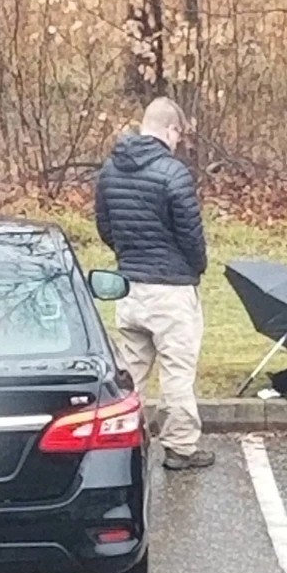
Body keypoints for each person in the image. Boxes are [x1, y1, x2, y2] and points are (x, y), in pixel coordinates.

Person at [94, 97, 215, 470]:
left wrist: (127, 256)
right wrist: (194, 268)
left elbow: (105, 226)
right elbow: (191, 235)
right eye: (179, 133)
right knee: (177, 371)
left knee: (131, 373)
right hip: (171, 289)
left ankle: (125, 443)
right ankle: (180, 447)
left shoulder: (110, 169)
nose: (179, 142)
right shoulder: (173, 173)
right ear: (170, 129)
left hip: (130, 287)